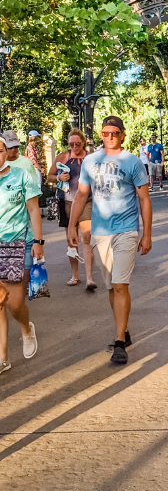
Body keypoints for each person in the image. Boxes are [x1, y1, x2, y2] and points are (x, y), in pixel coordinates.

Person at [67, 115, 152, 366]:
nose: (110, 137)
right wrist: (72, 226)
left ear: (123, 135)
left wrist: (147, 233)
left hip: (126, 231)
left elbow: (144, 200)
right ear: (101, 135)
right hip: (100, 232)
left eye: (115, 132)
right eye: (106, 133)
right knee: (110, 287)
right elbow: (82, 196)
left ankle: (119, 343)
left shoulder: (133, 162)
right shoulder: (91, 161)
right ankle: (122, 329)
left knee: (120, 285)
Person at [0, 136, 44, 376]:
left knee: (14, 302)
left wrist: (38, 241)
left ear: (6, 152)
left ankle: (26, 328)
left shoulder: (21, 176)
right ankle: (2, 358)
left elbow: (34, 209)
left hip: (19, 242)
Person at [47, 127, 96, 290]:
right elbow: (50, 176)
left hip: (86, 201)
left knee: (87, 237)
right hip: (66, 201)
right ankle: (75, 275)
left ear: (83, 142)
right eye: (71, 144)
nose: (75, 146)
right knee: (71, 240)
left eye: (77, 143)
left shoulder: (90, 157)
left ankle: (89, 278)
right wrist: (59, 177)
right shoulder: (63, 157)